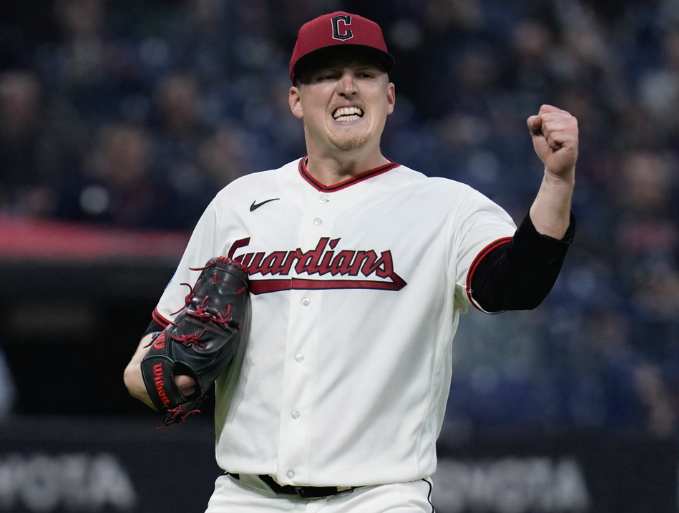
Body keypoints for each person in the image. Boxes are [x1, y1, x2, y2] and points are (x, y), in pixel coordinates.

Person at [123, 11, 578, 512]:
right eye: (325, 75)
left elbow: (518, 285)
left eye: (364, 74)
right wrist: (166, 379)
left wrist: (557, 181)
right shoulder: (239, 204)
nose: (347, 87)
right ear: (296, 99)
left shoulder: (445, 207)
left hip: (381, 499)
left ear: (390, 96)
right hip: (245, 497)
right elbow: (146, 361)